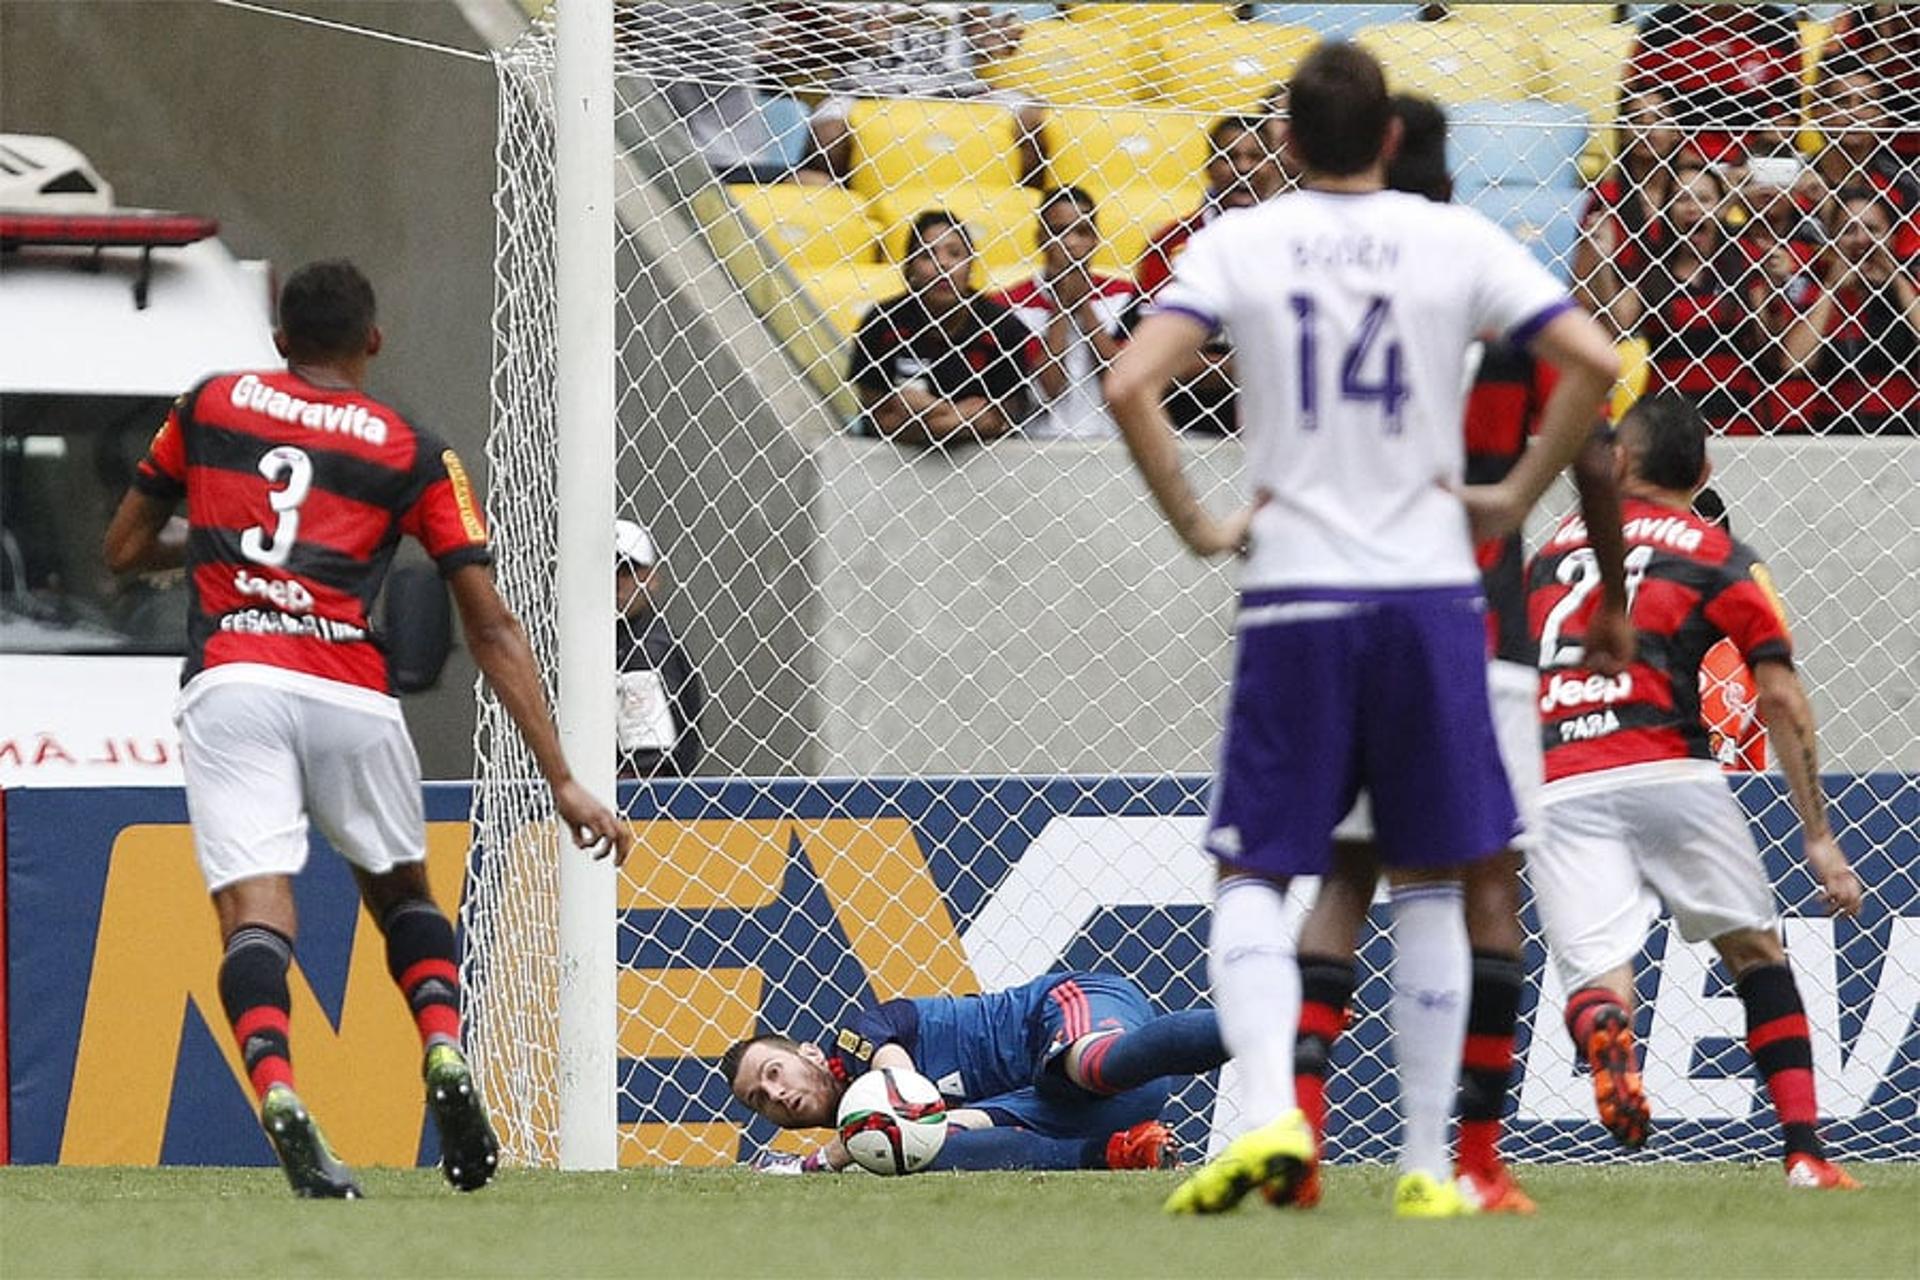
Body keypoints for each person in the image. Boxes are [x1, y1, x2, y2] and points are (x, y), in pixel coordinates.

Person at [1104, 42, 1623, 1219]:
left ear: (1285, 143)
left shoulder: (1243, 239)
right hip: (1435, 599)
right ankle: (1434, 1169)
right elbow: (1594, 360)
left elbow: (1132, 381)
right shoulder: (1456, 241)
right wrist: (1511, 491)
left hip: (1298, 595)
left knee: (1256, 865)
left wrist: (1199, 518)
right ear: (1392, 139)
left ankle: (1279, 1112)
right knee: (1435, 870)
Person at [102, 260, 631, 1199]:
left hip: (234, 682)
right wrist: (563, 776)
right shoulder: (414, 449)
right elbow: (492, 624)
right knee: (402, 896)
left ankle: (278, 1089)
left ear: (279, 342)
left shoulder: (210, 403)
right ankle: (442, 1049)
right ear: (373, 341)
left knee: (253, 912)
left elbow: (124, 548)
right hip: (349, 688)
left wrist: (212, 545)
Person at [1282, 94, 1632, 1218]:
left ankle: (1301, 1127)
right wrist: (1611, 590)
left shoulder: (1339, 296)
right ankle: (1473, 1157)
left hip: (1345, 612)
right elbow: (1598, 453)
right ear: (1458, 172)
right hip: (1480, 627)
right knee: (1486, 878)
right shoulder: (1498, 288)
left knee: (1345, 872)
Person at [1524, 393, 1863, 1190]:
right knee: (1755, 953)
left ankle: (1606, 1028)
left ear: (1620, 463)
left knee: (1600, 977)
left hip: (1562, 778)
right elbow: (1778, 696)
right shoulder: (1718, 554)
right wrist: (1816, 831)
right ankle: (1806, 1152)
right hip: (1669, 766)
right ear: (1704, 471)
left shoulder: (1547, 557)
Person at [723, 971, 1226, 1173]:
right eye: (759, 1100)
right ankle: (1122, 1152)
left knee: (1089, 1066)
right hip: (1094, 1111)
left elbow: (899, 1086)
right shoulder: (889, 1144)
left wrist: (816, 1164)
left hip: (1072, 1016)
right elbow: (924, 1128)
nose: (775, 1094)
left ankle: (1276, 1021)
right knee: (934, 1153)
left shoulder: (860, 1037)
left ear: (810, 1053)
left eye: (773, 1072)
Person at [1131, 115, 1287, 437]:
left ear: (1275, 165)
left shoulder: (1296, 239)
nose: (1243, 168)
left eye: (1256, 157)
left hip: (1279, 423)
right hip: (1188, 423)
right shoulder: (1171, 243)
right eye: (1230, 157)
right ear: (1208, 167)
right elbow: (1158, 358)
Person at [1587, 162, 1766, 434]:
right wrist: (1603, 264)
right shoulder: (1652, 271)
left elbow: (1767, 343)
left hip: (1736, 424)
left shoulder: (1744, 265)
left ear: (1721, 208)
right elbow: (1615, 327)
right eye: (1682, 199)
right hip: (1666, 430)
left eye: (1704, 198)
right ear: (1668, 211)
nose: (1692, 206)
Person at [790, 3, 1046, 187]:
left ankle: (1021, 204)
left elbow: (981, 32)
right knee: (828, 131)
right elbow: (827, 36)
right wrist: (861, 37)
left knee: (1032, 114)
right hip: (868, 91)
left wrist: (995, 38)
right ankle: (842, 207)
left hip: (952, 91)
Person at [850, 209, 1034, 445]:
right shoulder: (881, 323)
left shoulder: (1002, 327)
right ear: (909, 268)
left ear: (971, 264)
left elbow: (1002, 419)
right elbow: (879, 418)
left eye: (955, 253)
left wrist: (922, 410)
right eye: (928, 255)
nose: (943, 264)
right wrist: (965, 416)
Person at [990, 186, 1137, 441]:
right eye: (1058, 232)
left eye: (1081, 232)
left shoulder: (1124, 296)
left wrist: (1083, 305)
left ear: (1095, 239)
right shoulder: (1008, 305)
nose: (1070, 243)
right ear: (1040, 239)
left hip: (1114, 443)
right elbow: (1049, 388)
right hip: (1038, 444)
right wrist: (1061, 307)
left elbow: (1125, 380)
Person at [1769, 188, 1920, 435]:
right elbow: (1794, 363)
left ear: (1892, 237)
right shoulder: (1819, 296)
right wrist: (1831, 288)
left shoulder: (1909, 291)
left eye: (1872, 230)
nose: (1861, 240)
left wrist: (1895, 277)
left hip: (1906, 440)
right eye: (1849, 231)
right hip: (1837, 443)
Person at [1626, 5, 1802, 165]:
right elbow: (1640, 107)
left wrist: (1744, 164)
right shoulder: (1662, 27)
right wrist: (1687, 163)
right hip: (1674, 162)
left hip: (1751, 163)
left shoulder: (1779, 30)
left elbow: (1785, 118)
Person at [614, 517, 704, 778]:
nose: (616, 580)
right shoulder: (624, 640)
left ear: (651, 578)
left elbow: (647, 772)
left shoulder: (645, 650)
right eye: (607, 569)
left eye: (627, 569)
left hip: (635, 813)